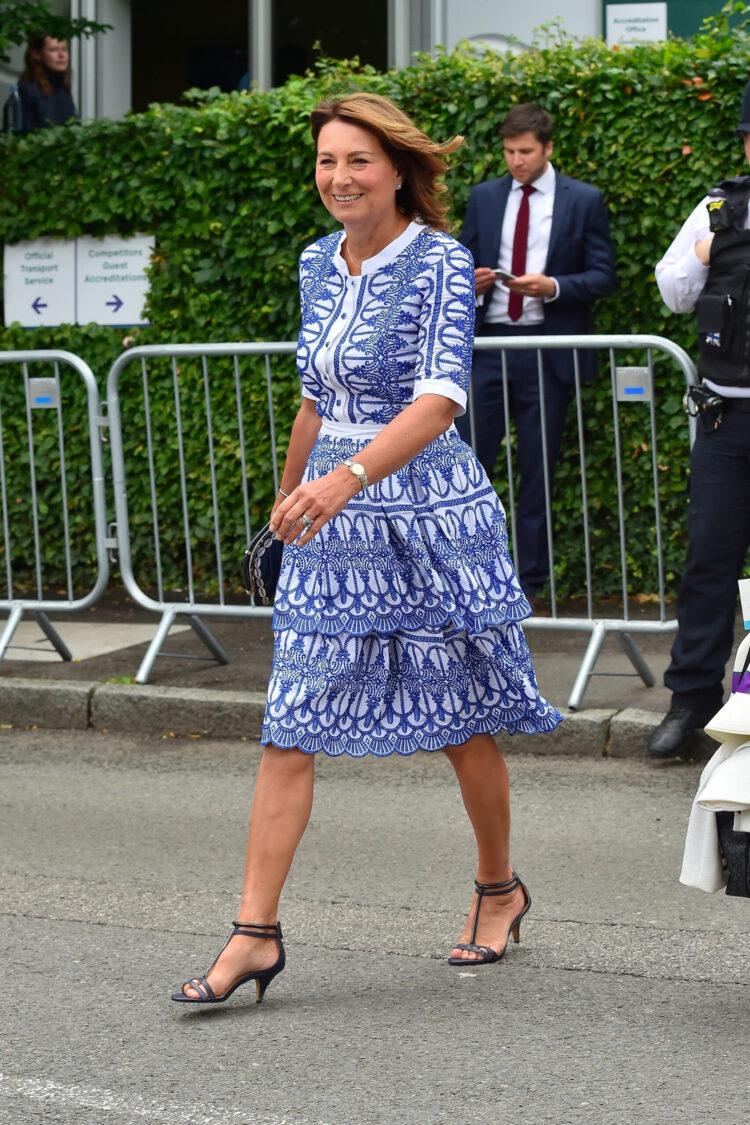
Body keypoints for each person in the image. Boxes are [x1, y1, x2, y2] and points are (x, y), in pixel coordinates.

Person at [171, 93, 562, 1005]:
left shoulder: (438, 260)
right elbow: (316, 396)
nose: (338, 178)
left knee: (461, 720)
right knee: (289, 721)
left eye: (357, 161)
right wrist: (287, 497)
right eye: (325, 161)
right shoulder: (316, 262)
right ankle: (253, 931)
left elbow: (438, 401)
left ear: (397, 170)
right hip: (330, 521)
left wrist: (346, 481)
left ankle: (499, 889)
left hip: (425, 511)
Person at [456, 104, 617, 607]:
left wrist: (552, 286)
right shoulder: (483, 197)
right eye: (508, 152)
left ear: (548, 149)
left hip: (546, 352)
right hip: (487, 348)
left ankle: (528, 584)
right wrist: (473, 281)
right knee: (467, 467)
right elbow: (459, 263)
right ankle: (468, 574)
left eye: (525, 152)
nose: (516, 162)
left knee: (537, 471)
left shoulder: (583, 200)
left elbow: (603, 276)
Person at [648, 79, 750, 761]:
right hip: (728, 419)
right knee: (708, 563)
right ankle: (691, 704)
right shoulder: (718, 206)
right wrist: (702, 255)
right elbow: (673, 291)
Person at [17, 34, 78, 133]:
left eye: (64, 49)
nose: (61, 55)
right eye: (54, 50)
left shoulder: (62, 86)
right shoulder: (28, 89)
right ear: (37, 54)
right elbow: (24, 136)